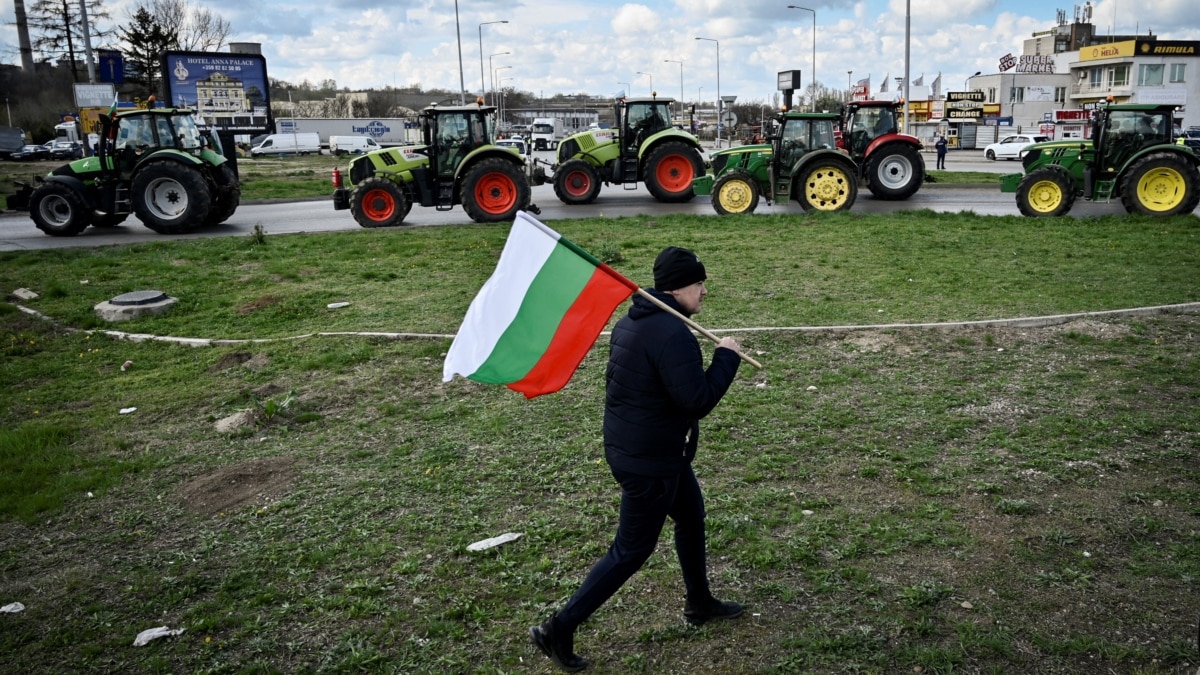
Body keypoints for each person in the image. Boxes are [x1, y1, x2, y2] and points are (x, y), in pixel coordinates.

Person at [530, 247, 744, 673]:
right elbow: (696, 400)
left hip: (655, 450)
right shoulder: (670, 334)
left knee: (691, 517)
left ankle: (698, 601)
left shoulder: (635, 321)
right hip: (649, 462)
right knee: (631, 550)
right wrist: (727, 357)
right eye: (699, 284)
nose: (704, 291)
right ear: (678, 287)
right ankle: (560, 626)